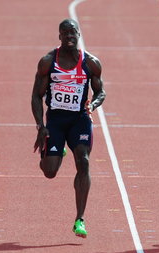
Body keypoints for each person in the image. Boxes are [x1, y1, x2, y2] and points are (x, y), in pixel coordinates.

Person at [31, 19, 106, 238]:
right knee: (49, 172)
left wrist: (92, 104)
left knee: (83, 161)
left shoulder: (91, 63)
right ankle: (56, 149)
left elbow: (101, 91)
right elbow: (36, 95)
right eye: (65, 33)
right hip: (55, 120)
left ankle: (79, 219)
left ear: (79, 34)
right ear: (60, 37)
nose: (70, 36)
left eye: (73, 33)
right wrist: (40, 126)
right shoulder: (48, 62)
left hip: (79, 119)